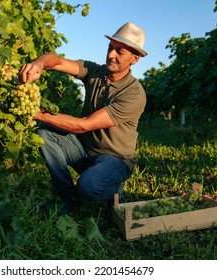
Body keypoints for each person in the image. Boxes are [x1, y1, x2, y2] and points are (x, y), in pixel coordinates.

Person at [19, 22, 148, 215]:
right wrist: (40, 63)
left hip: (115, 160)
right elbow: (58, 61)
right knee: (44, 133)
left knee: (89, 186)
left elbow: (82, 126)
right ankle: (69, 198)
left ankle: (115, 191)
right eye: (110, 48)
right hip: (83, 151)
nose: (111, 55)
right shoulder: (95, 72)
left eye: (120, 52)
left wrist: (34, 112)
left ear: (135, 59)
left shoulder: (134, 94)